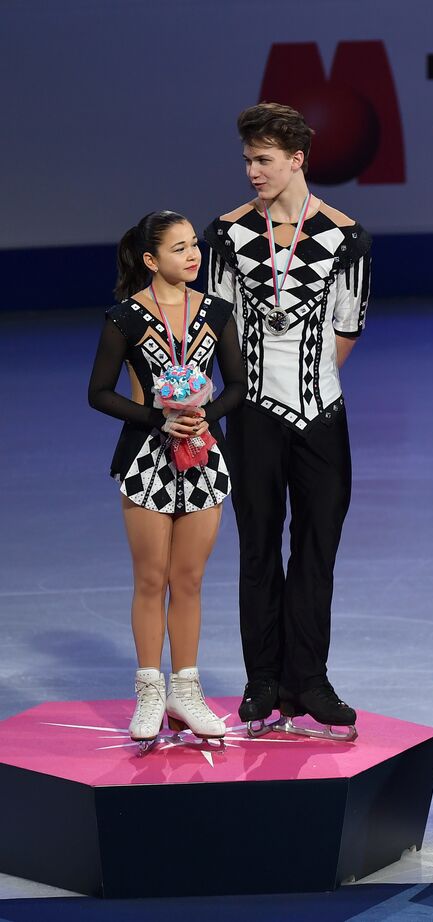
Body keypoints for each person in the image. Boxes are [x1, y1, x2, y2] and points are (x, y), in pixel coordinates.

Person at [206, 102, 371, 739]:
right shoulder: (224, 234)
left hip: (321, 414)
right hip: (249, 414)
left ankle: (310, 680)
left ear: (297, 160)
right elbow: (213, 325)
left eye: (264, 160)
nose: (252, 171)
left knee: (315, 552)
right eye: (247, 159)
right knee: (256, 549)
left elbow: (348, 328)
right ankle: (262, 682)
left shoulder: (346, 235)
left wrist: (306, 383)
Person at [88, 210, 245, 750]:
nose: (193, 255)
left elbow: (238, 386)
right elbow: (99, 392)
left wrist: (207, 415)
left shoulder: (217, 313)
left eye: (194, 246)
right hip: (147, 462)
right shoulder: (125, 319)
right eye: (179, 249)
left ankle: (186, 689)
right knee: (152, 579)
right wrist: (157, 418)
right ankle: (150, 690)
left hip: (202, 459)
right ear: (152, 260)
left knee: (191, 579)